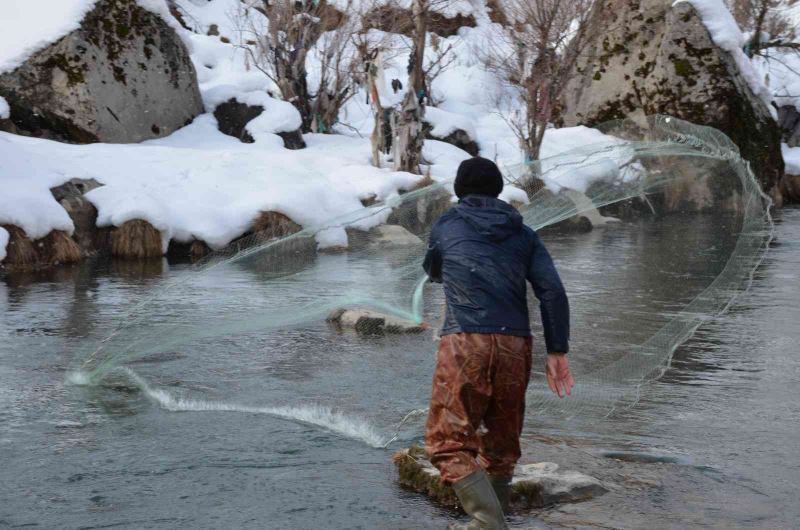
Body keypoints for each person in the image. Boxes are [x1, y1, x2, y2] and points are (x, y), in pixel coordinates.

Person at [422, 157, 573, 529]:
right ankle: (496, 518)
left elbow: (433, 268)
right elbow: (551, 291)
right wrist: (557, 351)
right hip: (514, 345)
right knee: (502, 444)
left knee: (447, 443)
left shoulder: (447, 224)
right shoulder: (524, 233)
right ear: (498, 189)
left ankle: (488, 523)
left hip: (464, 340)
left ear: (459, 190)